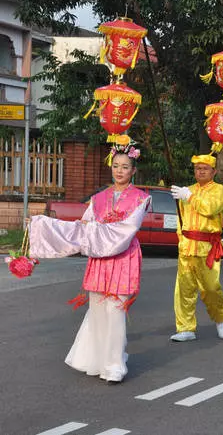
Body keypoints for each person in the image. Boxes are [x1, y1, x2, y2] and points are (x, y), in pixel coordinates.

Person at [28, 137, 150, 383]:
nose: (120, 171)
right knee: (97, 309)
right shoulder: (99, 198)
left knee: (115, 310)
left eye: (125, 167)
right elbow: (83, 228)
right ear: (111, 167)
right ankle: (97, 359)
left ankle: (114, 363)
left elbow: (125, 231)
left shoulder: (141, 198)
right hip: (100, 259)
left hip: (122, 256)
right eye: (116, 166)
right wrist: (44, 225)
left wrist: (96, 234)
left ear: (134, 170)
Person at [169, 154, 223, 342]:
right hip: (187, 246)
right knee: (184, 288)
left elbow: (210, 208)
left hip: (207, 246)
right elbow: (182, 220)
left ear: (213, 171)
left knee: (211, 288)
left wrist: (189, 196)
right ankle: (185, 327)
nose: (200, 171)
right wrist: (181, 239)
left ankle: (220, 317)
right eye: (197, 168)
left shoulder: (220, 191)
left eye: (204, 168)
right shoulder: (187, 190)